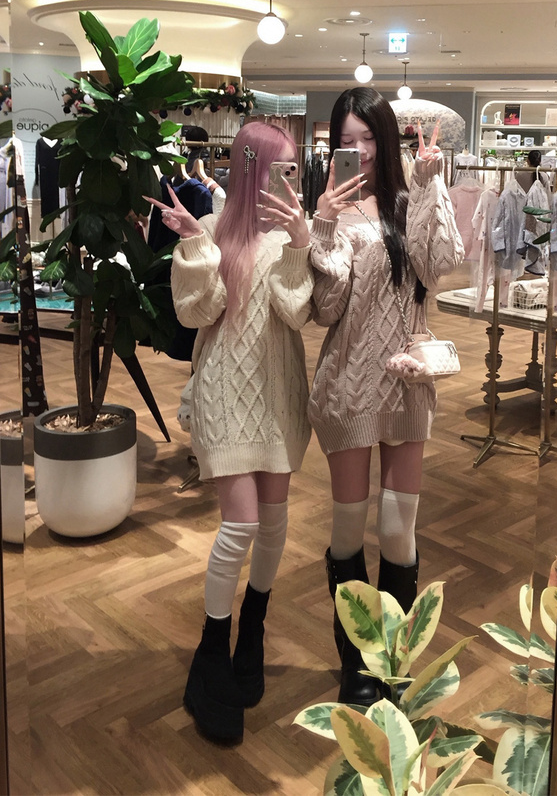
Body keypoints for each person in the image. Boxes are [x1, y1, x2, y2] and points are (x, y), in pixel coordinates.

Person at [145, 121, 313, 744]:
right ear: (251, 169)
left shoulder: (292, 233)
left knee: (273, 523)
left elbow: (296, 312)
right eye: (281, 169)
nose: (290, 180)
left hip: (279, 394)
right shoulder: (214, 228)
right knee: (240, 524)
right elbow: (198, 312)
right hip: (223, 392)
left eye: (294, 168)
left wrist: (301, 244)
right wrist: (196, 246)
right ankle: (213, 647)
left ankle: (254, 629)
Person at [308, 88, 464, 707]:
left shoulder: (407, 200)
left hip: (406, 384)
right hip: (348, 386)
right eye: (347, 141)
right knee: (349, 529)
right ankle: (356, 664)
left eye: (369, 138)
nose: (361, 151)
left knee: (398, 529)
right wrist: (323, 225)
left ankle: (391, 663)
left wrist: (430, 185)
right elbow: (326, 309)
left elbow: (438, 263)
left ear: (386, 139)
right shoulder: (333, 212)